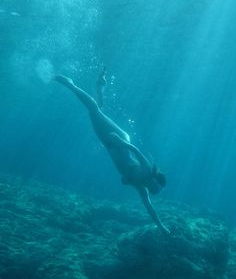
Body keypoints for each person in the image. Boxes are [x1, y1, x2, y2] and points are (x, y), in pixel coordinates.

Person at [54, 69, 169, 234]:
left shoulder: (141, 187)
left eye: (156, 192)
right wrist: (119, 141)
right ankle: (70, 83)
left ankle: (100, 87)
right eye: (156, 188)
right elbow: (135, 150)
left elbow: (150, 208)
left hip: (110, 146)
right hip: (119, 140)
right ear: (154, 181)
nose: (155, 192)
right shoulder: (147, 171)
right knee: (94, 111)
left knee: (95, 111)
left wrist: (161, 226)